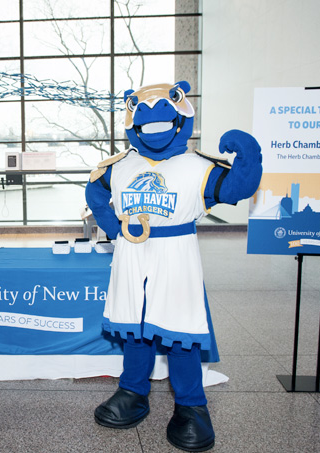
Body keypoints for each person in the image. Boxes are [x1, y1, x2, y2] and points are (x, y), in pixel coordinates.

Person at [86, 82, 262, 451]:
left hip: (176, 254)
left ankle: (191, 406)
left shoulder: (198, 166)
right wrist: (113, 226)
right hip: (132, 254)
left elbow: (233, 189)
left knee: (180, 332)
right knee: (134, 327)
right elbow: (95, 192)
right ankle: (133, 391)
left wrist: (248, 155)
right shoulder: (120, 164)